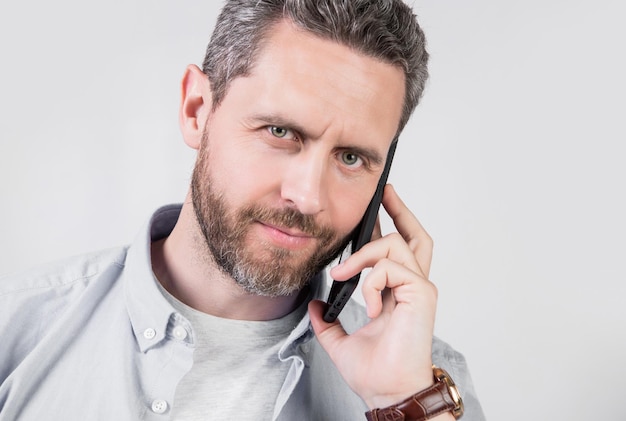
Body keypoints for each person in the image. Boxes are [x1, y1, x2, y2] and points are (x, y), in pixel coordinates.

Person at [0, 0, 485, 420]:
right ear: (197, 109)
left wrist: (401, 401)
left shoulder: (426, 386)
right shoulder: (17, 328)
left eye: (352, 158)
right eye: (280, 132)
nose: (308, 196)